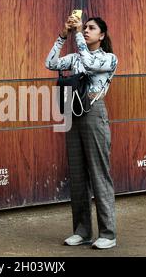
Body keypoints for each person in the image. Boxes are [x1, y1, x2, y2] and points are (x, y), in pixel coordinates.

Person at [45, 15, 118, 249]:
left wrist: (76, 35)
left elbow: (88, 65)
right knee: (77, 175)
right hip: (73, 111)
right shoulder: (75, 56)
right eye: (84, 27)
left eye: (91, 28)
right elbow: (50, 63)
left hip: (94, 112)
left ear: (102, 35)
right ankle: (82, 231)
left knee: (99, 173)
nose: (86, 30)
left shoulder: (109, 58)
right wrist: (62, 35)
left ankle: (108, 234)